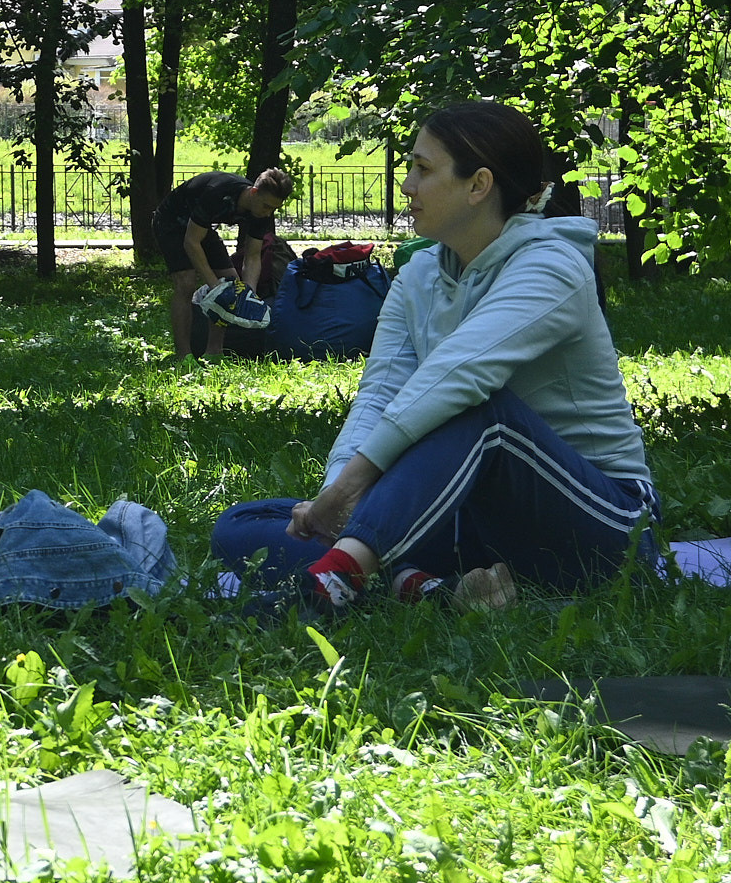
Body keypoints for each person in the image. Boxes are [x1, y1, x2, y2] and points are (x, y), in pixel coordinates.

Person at [209, 101, 656, 611]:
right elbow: (379, 393)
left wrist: (356, 488)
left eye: (422, 169)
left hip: (601, 524)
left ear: (477, 185)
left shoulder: (553, 266)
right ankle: (427, 586)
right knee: (242, 526)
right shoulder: (419, 275)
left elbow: (460, 372)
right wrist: (336, 497)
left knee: (482, 411)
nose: (407, 187)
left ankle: (334, 582)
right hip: (469, 518)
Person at [156, 165, 292, 356]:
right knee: (186, 283)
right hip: (171, 221)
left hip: (199, 226)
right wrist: (214, 286)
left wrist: (247, 294)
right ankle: (183, 356)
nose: (268, 213)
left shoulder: (261, 213)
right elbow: (191, 242)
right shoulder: (218, 193)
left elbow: (253, 256)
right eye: (266, 206)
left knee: (231, 284)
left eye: (274, 209)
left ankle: (214, 353)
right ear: (253, 192)